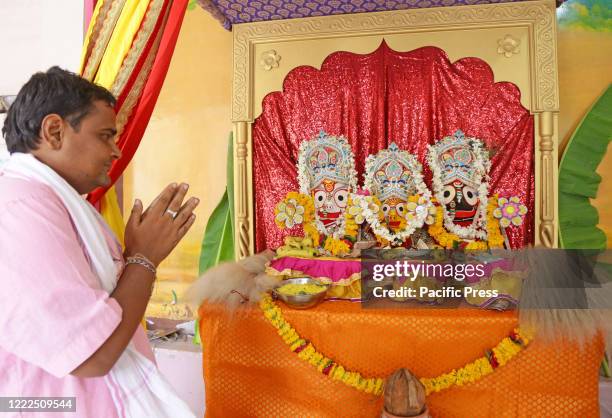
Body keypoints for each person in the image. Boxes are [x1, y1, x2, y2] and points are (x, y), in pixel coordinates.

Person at [0, 67, 199, 417]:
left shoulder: (58, 203)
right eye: (105, 135)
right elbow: (91, 355)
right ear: (55, 131)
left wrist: (137, 258)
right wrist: (144, 258)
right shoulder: (19, 207)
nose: (117, 151)